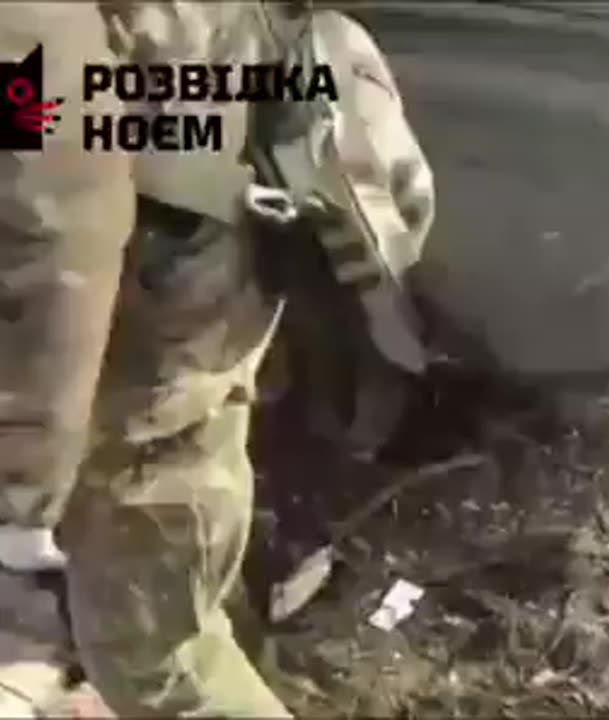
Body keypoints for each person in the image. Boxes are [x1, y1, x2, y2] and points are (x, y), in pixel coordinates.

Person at [0, 2, 435, 715]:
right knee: (185, 555)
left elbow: (45, 230)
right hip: (198, 232)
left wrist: (20, 483)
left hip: (144, 321)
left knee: (155, 662)